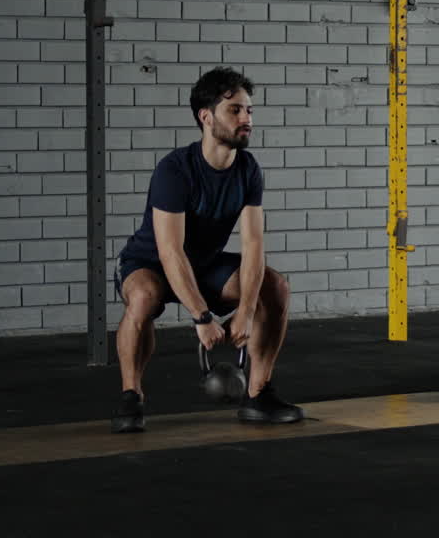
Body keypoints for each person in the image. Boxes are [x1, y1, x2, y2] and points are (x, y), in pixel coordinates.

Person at [111, 67, 303, 433]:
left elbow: (253, 244)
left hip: (204, 263)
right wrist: (201, 317)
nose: (246, 119)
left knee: (274, 287)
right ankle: (130, 396)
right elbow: (170, 251)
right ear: (206, 116)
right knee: (144, 299)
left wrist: (246, 309)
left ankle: (258, 393)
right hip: (150, 262)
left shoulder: (247, 169)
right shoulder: (175, 170)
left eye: (249, 110)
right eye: (235, 110)